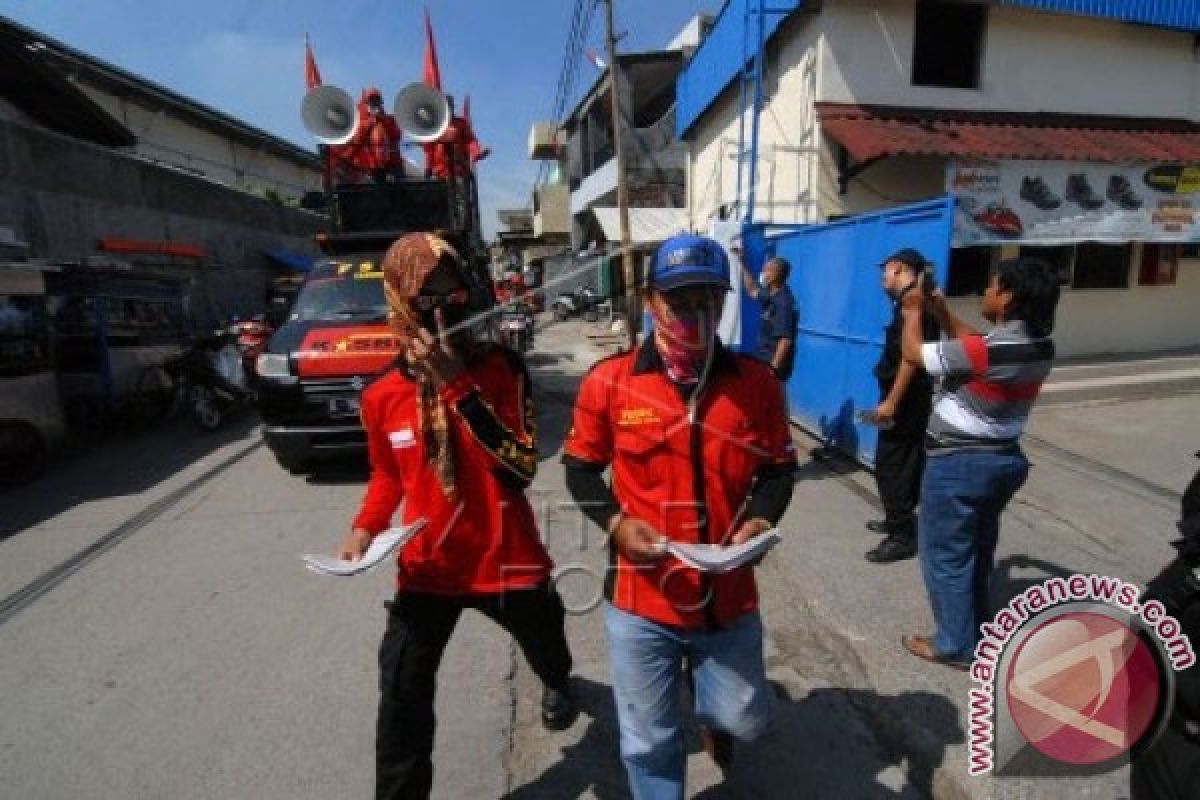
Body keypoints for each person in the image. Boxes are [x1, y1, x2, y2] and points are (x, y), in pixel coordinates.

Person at [338, 232, 575, 799]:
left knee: (546, 641)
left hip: (507, 559)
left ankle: (558, 680)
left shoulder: (501, 372)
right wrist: (364, 528)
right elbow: (388, 475)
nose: (443, 310)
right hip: (428, 568)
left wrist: (457, 386)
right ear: (399, 303)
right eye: (426, 298)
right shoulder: (381, 397)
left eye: (454, 293)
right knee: (400, 692)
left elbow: (519, 469)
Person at [563, 233, 797, 799]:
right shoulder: (610, 382)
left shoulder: (757, 383)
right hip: (643, 600)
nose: (695, 315)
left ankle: (714, 716)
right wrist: (617, 525)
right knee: (648, 742)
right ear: (651, 302)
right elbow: (578, 470)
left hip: (728, 596)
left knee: (742, 718)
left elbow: (779, 469)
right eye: (679, 301)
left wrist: (761, 521)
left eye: (708, 300)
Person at [898, 256, 1060, 669]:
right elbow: (975, 345)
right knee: (978, 550)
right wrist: (941, 312)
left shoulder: (990, 350)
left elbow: (914, 354)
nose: (985, 292)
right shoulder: (1037, 346)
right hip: (1001, 463)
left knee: (946, 556)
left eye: (991, 286)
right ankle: (980, 630)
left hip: (960, 466)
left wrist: (913, 310)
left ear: (1008, 297)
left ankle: (954, 645)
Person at [863, 248, 939, 565]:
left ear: (897, 268)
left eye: (885, 271)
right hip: (908, 397)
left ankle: (901, 536)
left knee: (891, 465)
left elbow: (911, 357)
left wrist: (892, 402)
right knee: (904, 462)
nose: (882, 278)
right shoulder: (912, 299)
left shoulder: (913, 303)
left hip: (905, 400)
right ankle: (899, 518)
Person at [734, 246, 798, 381]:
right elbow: (752, 290)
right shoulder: (771, 294)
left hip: (772, 362)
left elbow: (785, 341)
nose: (763, 272)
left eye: (767, 270)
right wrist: (743, 263)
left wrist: (772, 372)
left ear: (775, 276)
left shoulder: (783, 303)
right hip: (761, 357)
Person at [423, 95, 490, 180]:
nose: (447, 108)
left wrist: (477, 153)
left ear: (453, 107)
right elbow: (430, 148)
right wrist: (428, 167)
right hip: (439, 172)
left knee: (459, 190)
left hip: (458, 171)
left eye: (450, 105)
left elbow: (470, 140)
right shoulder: (435, 126)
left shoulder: (461, 123)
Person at [346, 87, 404, 182]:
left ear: (381, 103)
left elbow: (398, 135)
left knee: (399, 192)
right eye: (371, 100)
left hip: (394, 163)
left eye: (376, 100)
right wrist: (371, 121)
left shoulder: (390, 119)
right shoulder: (362, 123)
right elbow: (358, 141)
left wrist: (383, 119)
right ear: (367, 104)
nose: (374, 103)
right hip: (373, 165)